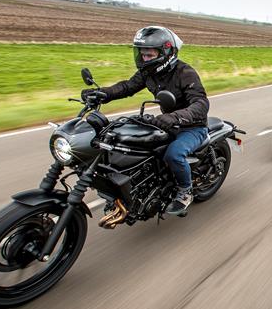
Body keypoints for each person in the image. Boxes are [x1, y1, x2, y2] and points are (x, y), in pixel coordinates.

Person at [81, 26, 209, 216]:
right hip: (164, 123)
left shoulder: (185, 73)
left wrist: (174, 117)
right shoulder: (149, 72)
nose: (144, 58)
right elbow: (127, 87)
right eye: (142, 54)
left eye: (149, 54)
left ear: (166, 52)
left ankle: (185, 191)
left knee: (173, 154)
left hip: (191, 127)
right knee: (123, 140)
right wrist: (102, 94)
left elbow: (201, 103)